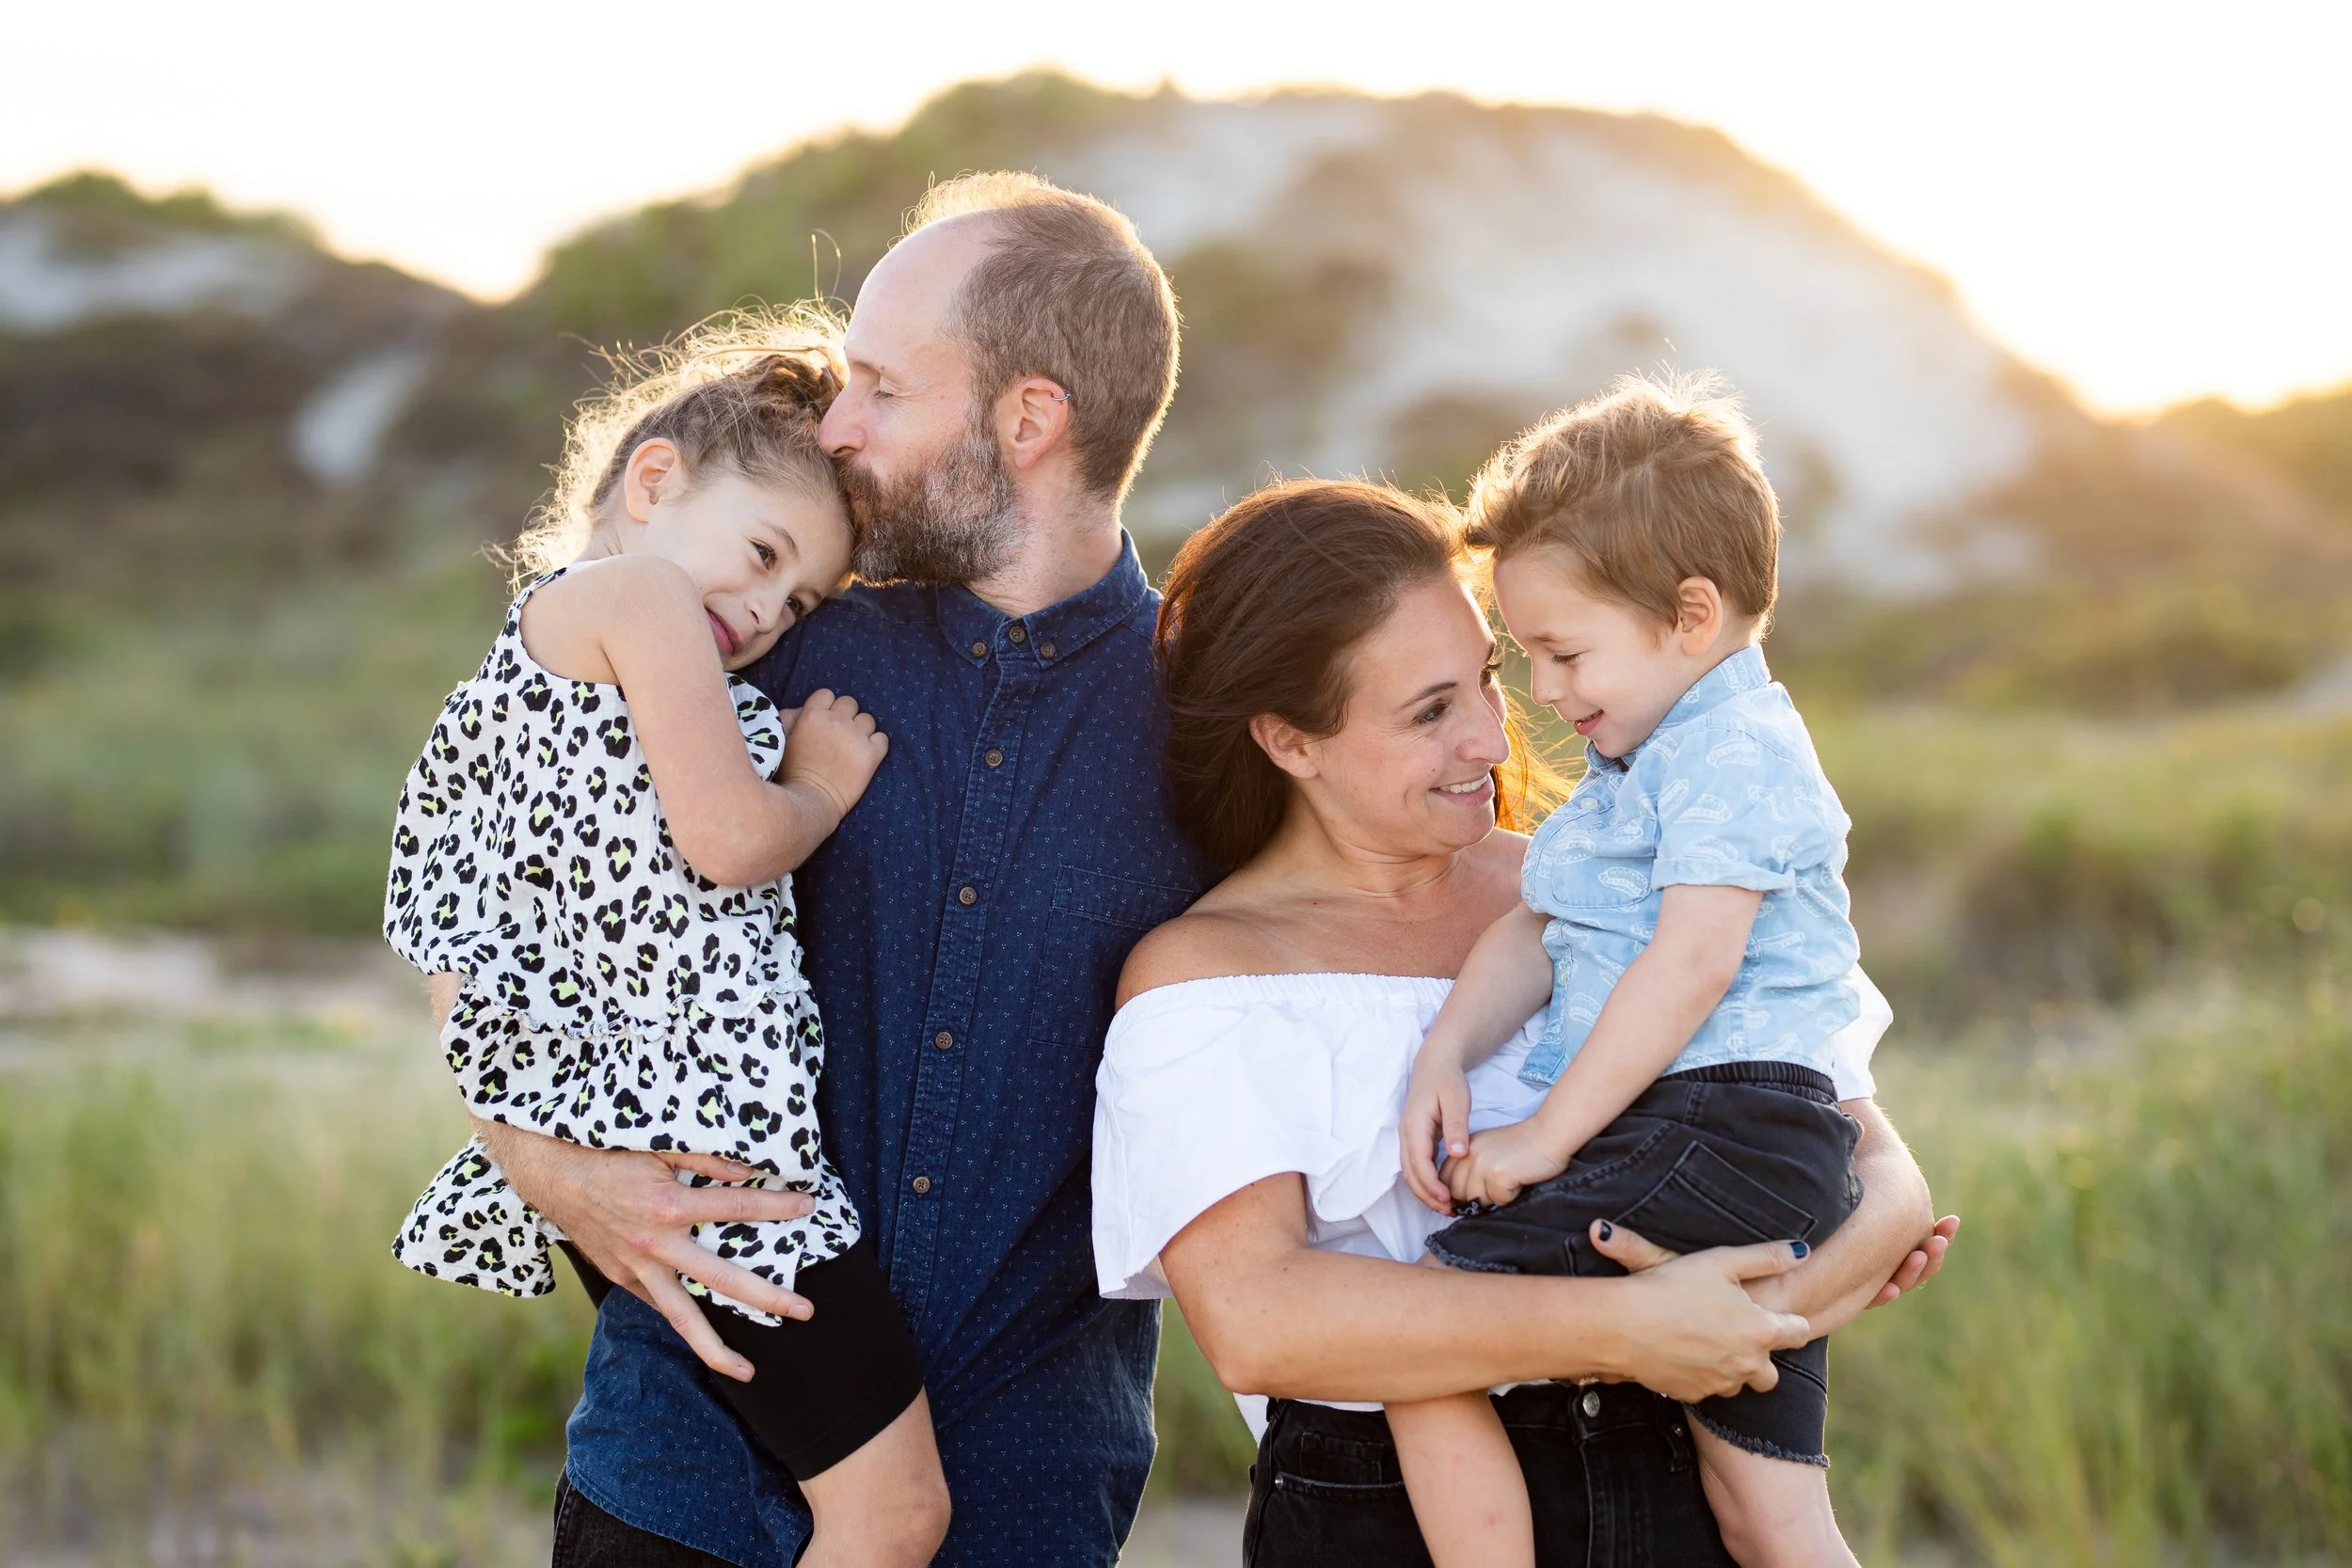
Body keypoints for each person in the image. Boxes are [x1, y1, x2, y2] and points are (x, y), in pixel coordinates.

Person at [471, 172, 1216, 1567]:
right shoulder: (761, 646)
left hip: (1025, 1495)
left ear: (1028, 418)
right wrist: (546, 1163)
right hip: (677, 1466)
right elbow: (510, 918)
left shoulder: (1214, 722)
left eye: (880, 385)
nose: (836, 426)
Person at [1093, 478, 1957, 1566]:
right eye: (1429, 712)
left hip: (1683, 1484)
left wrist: (1745, 1318)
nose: (1497, 741)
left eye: (1489, 678)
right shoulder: (1204, 979)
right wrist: (1637, 1331)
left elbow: (1878, 1164)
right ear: (1288, 740)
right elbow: (1260, 1320)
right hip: (1387, 1515)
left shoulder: (1605, 882)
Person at [383, 315, 949, 1567]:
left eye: (796, 596)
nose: (759, 608)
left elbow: (451, 916)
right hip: (705, 1149)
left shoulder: (520, 672)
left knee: (841, 1499)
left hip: (629, 1142)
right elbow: (730, 842)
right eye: (759, 551)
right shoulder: (635, 597)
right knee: (895, 1512)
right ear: (653, 479)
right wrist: (819, 783)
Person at [1388, 374, 1871, 1568]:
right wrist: (1446, 1050)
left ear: (1691, 615)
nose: (1544, 696)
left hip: (1726, 1122)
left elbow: (1692, 962)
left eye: (1561, 653)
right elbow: (1537, 930)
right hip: (1730, 1136)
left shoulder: (1736, 752)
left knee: (1421, 1329)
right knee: (1764, 1505)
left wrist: (1548, 1134)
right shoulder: (1640, 765)